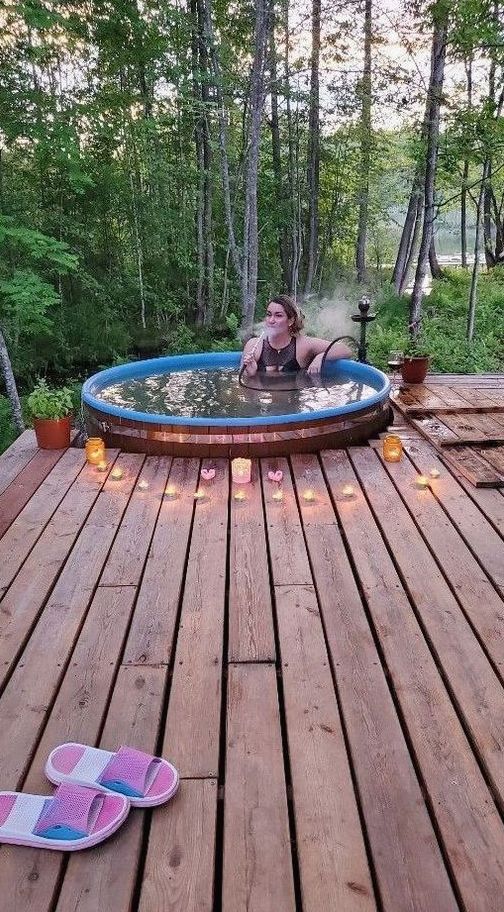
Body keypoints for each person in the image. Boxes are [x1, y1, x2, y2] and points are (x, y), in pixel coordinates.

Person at [240, 294, 353, 378]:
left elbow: (345, 350)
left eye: (278, 315)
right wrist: (250, 373)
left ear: (291, 321)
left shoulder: (303, 344)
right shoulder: (254, 345)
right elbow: (242, 380)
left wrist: (322, 356)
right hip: (261, 400)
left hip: (293, 400)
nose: (271, 320)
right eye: (269, 315)